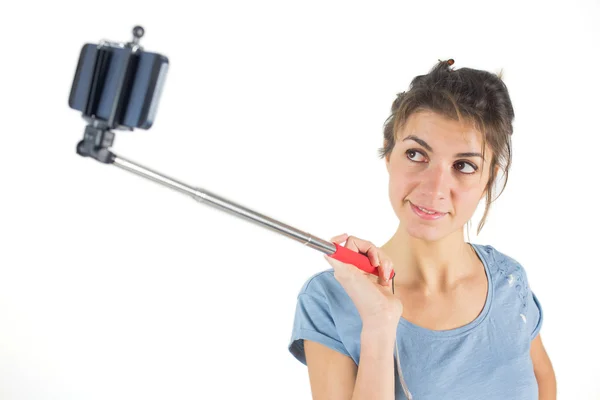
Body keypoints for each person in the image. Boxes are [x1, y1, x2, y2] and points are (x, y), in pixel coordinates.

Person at [288, 59, 557, 399]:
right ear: (389, 156)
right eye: (416, 154)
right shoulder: (330, 298)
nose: (435, 188)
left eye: (464, 165)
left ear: (489, 177)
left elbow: (543, 382)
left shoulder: (509, 279)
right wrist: (379, 323)